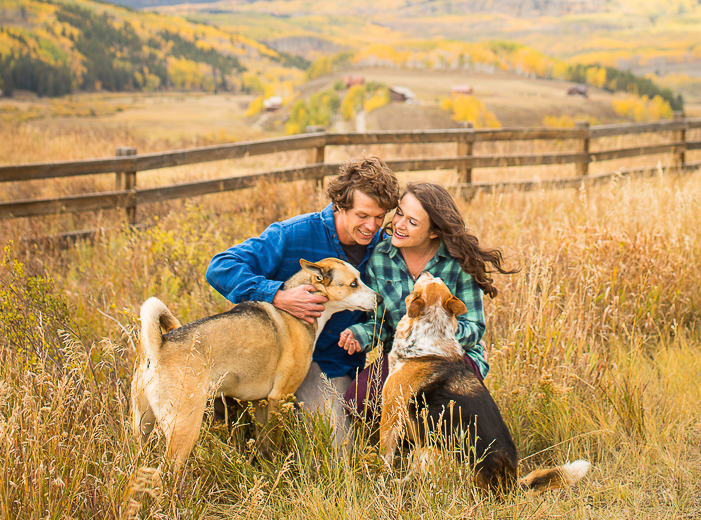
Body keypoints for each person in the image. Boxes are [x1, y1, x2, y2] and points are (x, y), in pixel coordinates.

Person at [205, 155, 399, 442]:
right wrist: (277, 295)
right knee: (223, 435)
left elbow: (392, 315)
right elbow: (220, 267)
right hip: (265, 356)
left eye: (379, 217)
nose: (372, 227)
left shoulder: (382, 252)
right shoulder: (292, 235)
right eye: (362, 216)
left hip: (325, 363)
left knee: (336, 447)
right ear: (339, 205)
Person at [339, 181, 515, 420]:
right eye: (399, 213)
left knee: (437, 408)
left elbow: (475, 327)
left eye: (412, 222)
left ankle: (436, 448)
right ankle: (403, 443)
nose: (399, 225)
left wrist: (441, 334)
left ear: (433, 232)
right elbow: (380, 326)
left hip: (450, 357)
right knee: (357, 403)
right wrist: (360, 334)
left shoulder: (457, 263)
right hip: (403, 357)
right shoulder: (380, 259)